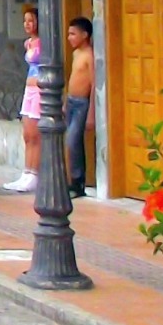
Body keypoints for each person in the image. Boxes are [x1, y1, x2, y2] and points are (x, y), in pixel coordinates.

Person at [3, 10, 43, 193]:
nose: (27, 24)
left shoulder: (43, 43)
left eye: (31, 20)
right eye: (25, 20)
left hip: (40, 90)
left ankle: (34, 174)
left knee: (35, 134)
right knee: (27, 134)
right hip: (29, 89)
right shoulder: (28, 43)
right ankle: (26, 172)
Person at [63, 16, 95, 196]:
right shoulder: (76, 54)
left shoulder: (89, 55)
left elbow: (93, 83)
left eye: (73, 34)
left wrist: (91, 113)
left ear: (84, 35)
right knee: (71, 142)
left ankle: (78, 181)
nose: (70, 38)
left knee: (73, 140)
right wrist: (65, 102)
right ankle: (73, 180)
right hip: (71, 101)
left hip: (83, 103)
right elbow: (72, 78)